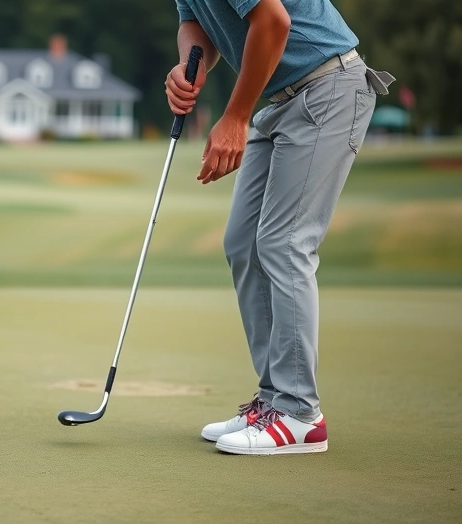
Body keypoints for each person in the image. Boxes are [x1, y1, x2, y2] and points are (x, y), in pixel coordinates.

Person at [165, 0, 393, 455]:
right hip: (282, 100)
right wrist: (189, 64)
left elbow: (273, 21)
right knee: (244, 243)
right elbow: (195, 25)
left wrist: (234, 116)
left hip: (328, 86)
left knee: (285, 243)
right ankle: (274, 402)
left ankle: (300, 414)